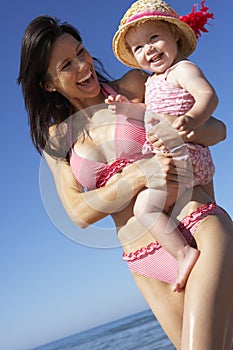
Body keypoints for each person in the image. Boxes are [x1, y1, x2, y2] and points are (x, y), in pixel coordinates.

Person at [17, 14, 233, 350]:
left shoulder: (132, 85)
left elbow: (216, 130)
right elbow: (77, 212)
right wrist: (136, 176)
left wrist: (170, 129)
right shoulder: (58, 138)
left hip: (194, 224)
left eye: (81, 52)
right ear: (48, 84)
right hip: (144, 262)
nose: (84, 66)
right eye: (67, 65)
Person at [106, 0, 218, 292]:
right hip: (180, 160)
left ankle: (183, 254)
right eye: (139, 47)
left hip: (186, 156)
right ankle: (192, 246)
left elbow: (208, 95)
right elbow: (148, 113)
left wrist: (193, 118)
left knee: (145, 207)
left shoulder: (182, 69)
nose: (149, 49)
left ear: (175, 36)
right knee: (188, 210)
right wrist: (126, 109)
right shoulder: (153, 83)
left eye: (154, 38)